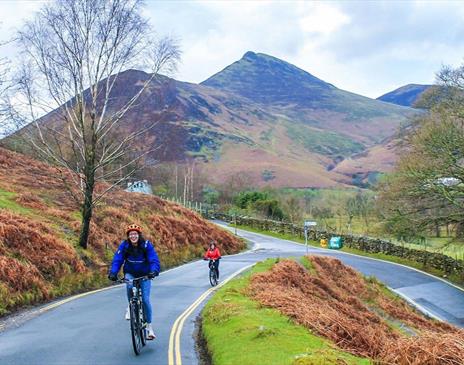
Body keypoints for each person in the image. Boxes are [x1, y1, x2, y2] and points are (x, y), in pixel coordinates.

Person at [108, 224, 160, 340]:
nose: (133, 236)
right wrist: (113, 273)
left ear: (139, 235)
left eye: (135, 234)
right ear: (128, 236)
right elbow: (118, 259)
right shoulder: (125, 245)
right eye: (131, 234)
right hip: (130, 272)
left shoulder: (146, 245)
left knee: (145, 300)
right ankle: (130, 305)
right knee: (129, 285)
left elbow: (153, 259)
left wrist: (154, 271)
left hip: (145, 274)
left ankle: (149, 328)